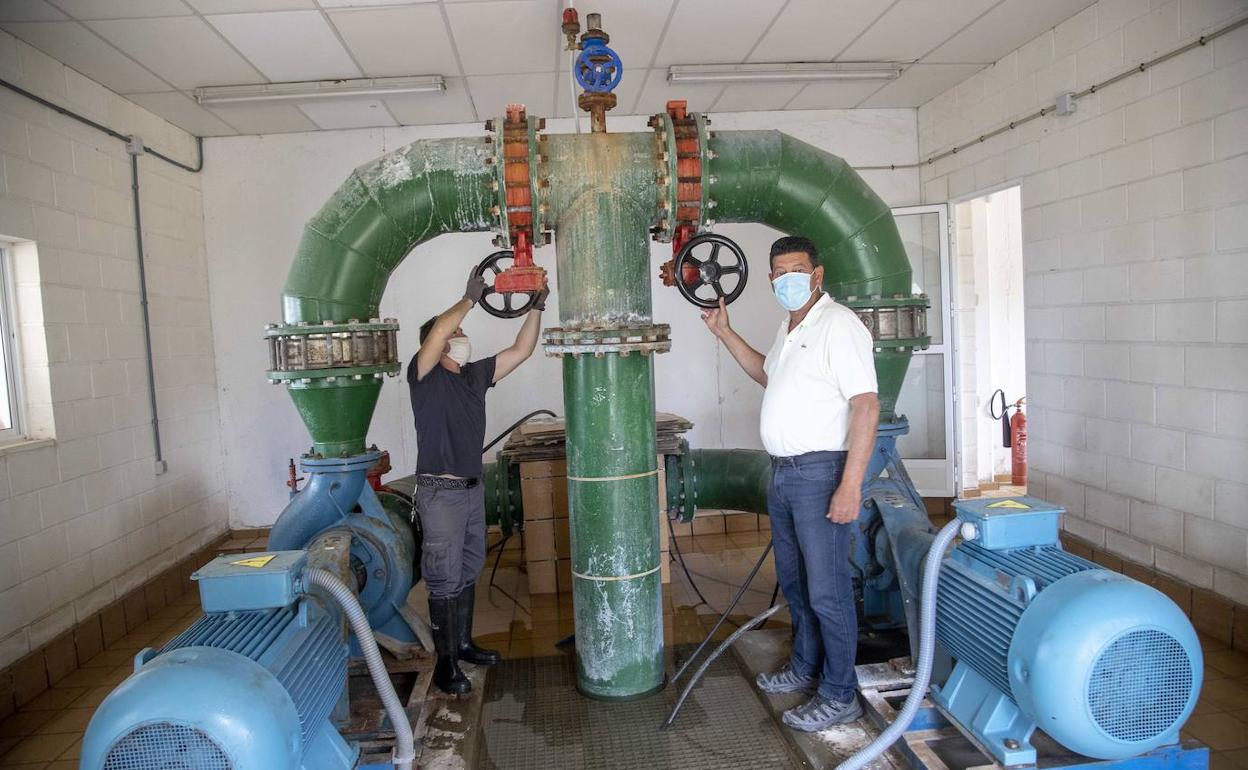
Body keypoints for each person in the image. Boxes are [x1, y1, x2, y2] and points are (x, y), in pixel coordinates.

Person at [701, 235, 880, 731]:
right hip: (784, 474)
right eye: (779, 273)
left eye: (797, 270)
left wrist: (850, 486)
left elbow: (866, 405)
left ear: (817, 274)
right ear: (770, 279)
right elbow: (767, 373)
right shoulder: (791, 326)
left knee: (828, 591)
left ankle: (840, 692)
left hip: (821, 473)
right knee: (798, 585)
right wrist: (724, 333)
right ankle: (805, 668)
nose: (787, 279)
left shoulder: (838, 325)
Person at [408, 268, 548, 695]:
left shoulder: (473, 376)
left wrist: (537, 305)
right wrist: (468, 297)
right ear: (438, 340)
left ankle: (464, 644)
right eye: (457, 331)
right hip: (440, 495)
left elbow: (522, 350)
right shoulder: (423, 375)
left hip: (471, 491)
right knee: (444, 577)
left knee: (468, 568)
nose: (463, 336)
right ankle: (446, 665)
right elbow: (438, 334)